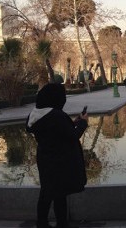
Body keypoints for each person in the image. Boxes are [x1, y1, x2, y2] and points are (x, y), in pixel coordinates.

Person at [26, 83, 88, 228]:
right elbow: (72, 136)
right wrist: (83, 123)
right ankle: (61, 223)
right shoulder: (56, 116)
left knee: (46, 194)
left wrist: (73, 123)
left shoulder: (35, 114)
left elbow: (56, 131)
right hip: (60, 161)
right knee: (60, 195)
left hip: (45, 159)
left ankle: (42, 223)